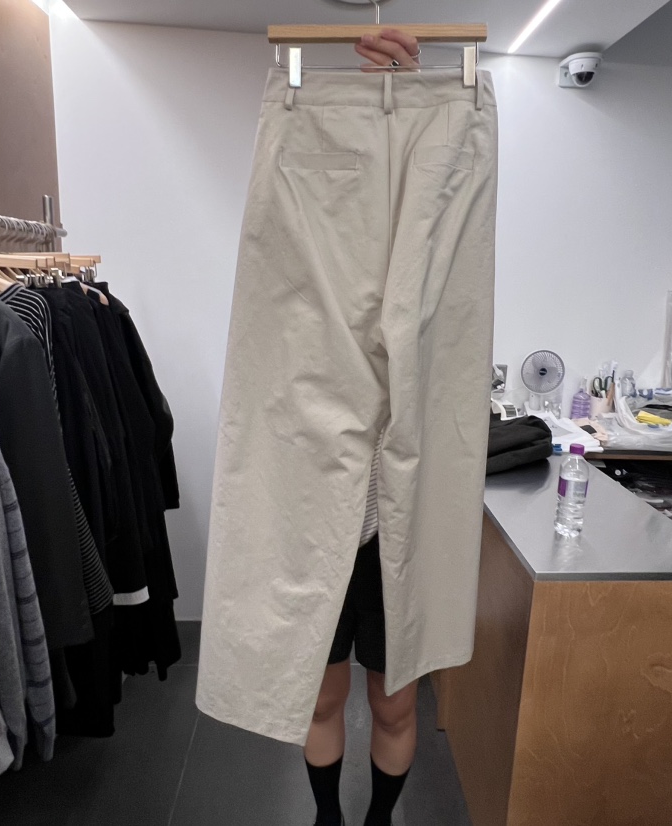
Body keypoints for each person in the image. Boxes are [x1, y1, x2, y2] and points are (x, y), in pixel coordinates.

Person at [301, 29, 425, 826]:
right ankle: (327, 818)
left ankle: (379, 820)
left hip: (400, 529)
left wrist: (409, 98)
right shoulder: (313, 270)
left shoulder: (427, 268)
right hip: (319, 514)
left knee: (394, 702)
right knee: (319, 696)